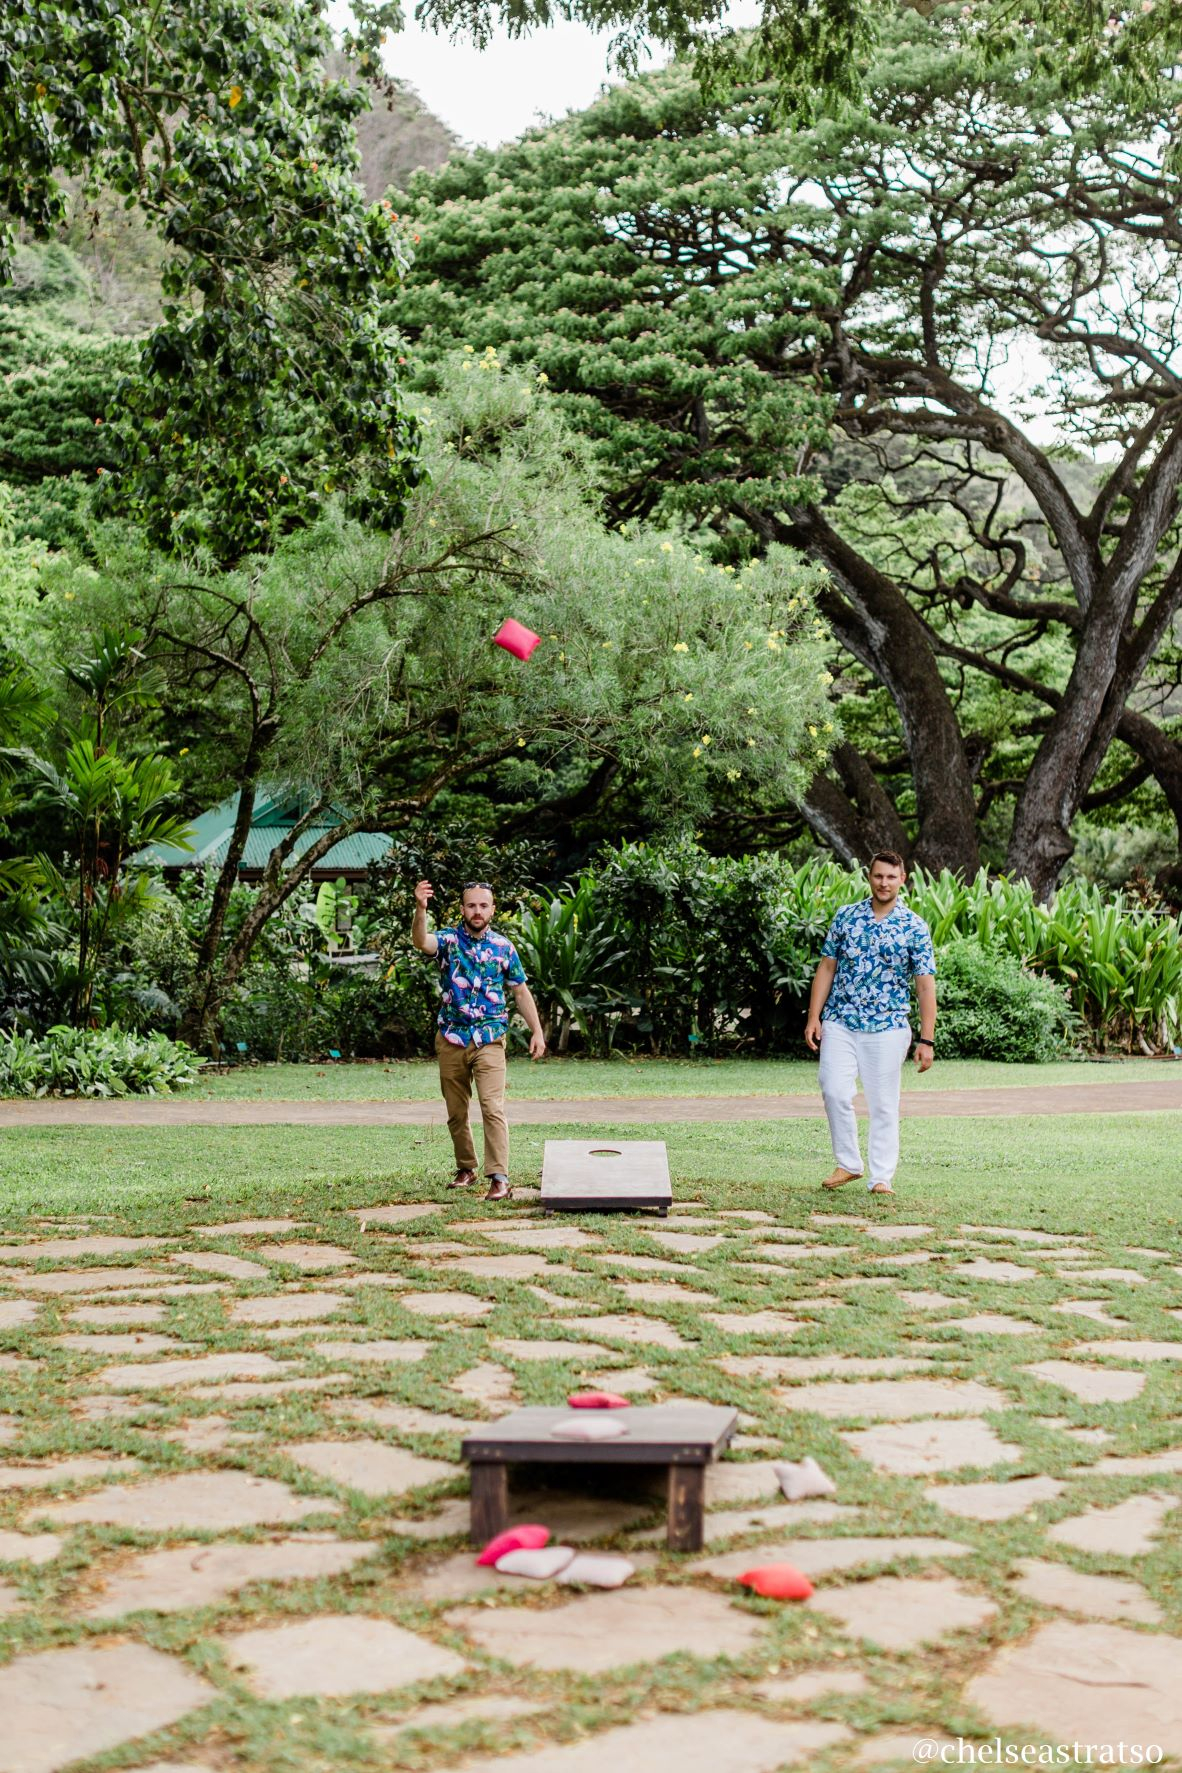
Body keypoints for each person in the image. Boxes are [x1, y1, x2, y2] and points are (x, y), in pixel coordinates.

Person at [804, 852, 936, 1198]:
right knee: (833, 1088)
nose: (884, 883)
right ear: (869, 877)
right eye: (878, 876)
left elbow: (924, 984)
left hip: (888, 1026)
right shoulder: (846, 917)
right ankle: (848, 1163)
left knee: (882, 1103)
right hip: (840, 1021)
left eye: (891, 877)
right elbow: (827, 967)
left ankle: (881, 1178)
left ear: (902, 879)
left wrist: (927, 1039)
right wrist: (814, 1016)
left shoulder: (914, 926)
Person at [412, 879, 546, 1202]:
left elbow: (520, 990)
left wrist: (537, 1030)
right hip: (452, 1038)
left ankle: (499, 1177)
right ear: (462, 908)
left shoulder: (503, 947)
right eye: (471, 905)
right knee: (456, 1111)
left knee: (492, 1106)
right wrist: (420, 909)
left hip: (489, 1038)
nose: (477, 911)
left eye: (483, 905)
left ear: (492, 910)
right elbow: (421, 942)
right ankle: (466, 1168)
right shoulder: (448, 941)